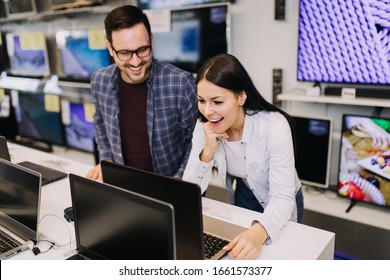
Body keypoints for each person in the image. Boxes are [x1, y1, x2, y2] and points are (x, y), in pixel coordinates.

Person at [183, 53, 303, 260]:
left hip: (283, 196)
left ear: (241, 97)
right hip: (245, 191)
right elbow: (189, 191)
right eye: (201, 100)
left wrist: (258, 233)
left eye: (217, 101)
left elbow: (282, 198)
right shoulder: (203, 125)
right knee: (245, 255)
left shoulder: (274, 125)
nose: (208, 111)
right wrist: (209, 151)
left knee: (280, 256)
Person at [87, 5, 198, 180]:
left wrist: (179, 183)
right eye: (124, 53)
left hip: (172, 184)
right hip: (124, 183)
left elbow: (196, 143)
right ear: (109, 48)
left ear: (151, 41)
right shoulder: (99, 80)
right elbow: (100, 122)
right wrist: (106, 159)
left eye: (142, 49)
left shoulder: (181, 83)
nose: (136, 61)